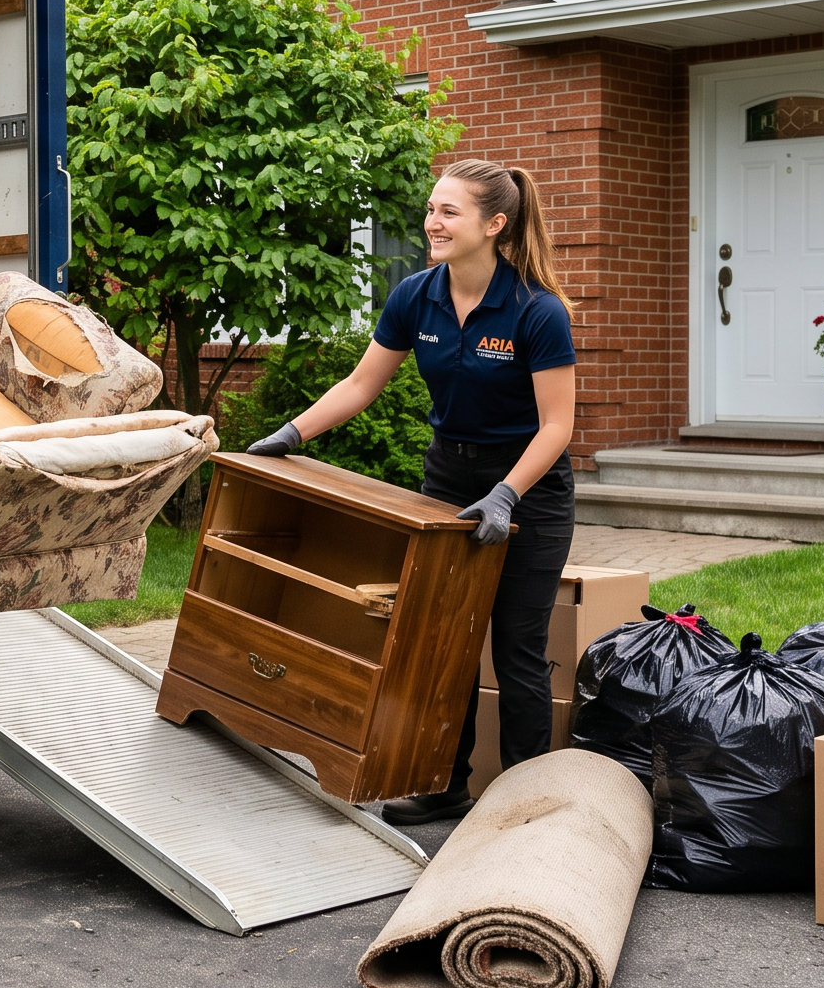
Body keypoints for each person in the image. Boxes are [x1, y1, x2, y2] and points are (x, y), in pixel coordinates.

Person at [243, 159, 578, 827]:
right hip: (448, 482)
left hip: (528, 491)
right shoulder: (415, 296)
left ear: (495, 224)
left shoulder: (536, 311)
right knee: (441, 641)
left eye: (449, 211)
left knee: (515, 647)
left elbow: (558, 425)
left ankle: (523, 804)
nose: (432, 221)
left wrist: (508, 494)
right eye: (431, 209)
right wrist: (290, 432)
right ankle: (441, 783)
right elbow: (361, 384)